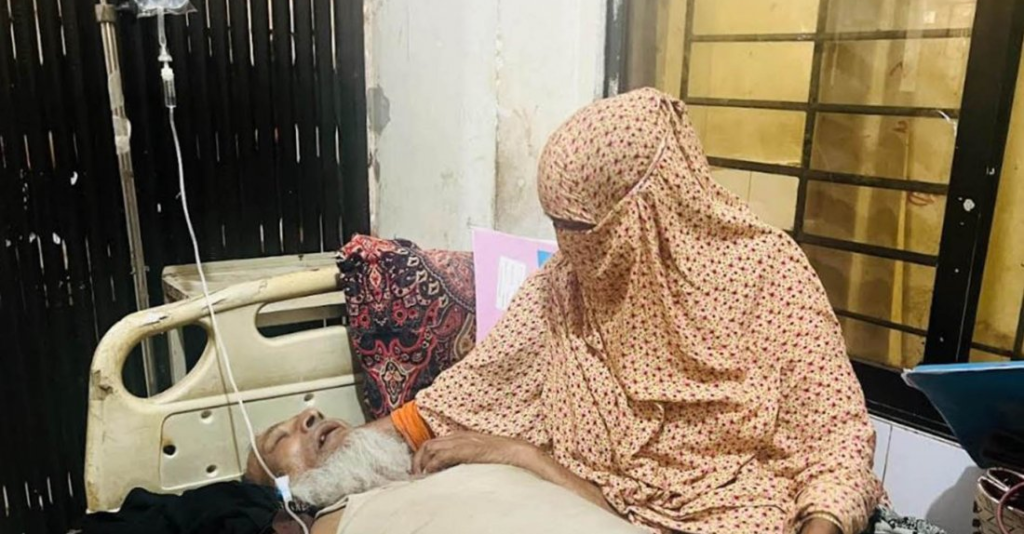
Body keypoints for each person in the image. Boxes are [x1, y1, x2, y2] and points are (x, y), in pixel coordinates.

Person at [247, 88, 884, 534]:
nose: (565, 247)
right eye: (556, 226)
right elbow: (453, 405)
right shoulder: (565, 288)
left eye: (580, 229)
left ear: (644, 218)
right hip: (582, 506)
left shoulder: (768, 275)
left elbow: (836, 443)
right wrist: (298, 487)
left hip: (735, 519)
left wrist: (822, 524)